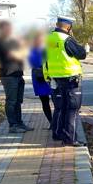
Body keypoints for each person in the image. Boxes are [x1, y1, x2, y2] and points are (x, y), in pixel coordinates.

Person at [44, 16, 86, 147]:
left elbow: (46, 58)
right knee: (73, 109)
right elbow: (81, 54)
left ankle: (58, 133)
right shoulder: (66, 39)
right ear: (68, 26)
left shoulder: (49, 39)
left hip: (56, 78)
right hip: (71, 78)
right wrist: (76, 42)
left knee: (61, 107)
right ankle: (70, 139)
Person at [0, 20, 29, 133]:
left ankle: (19, 123)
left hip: (18, 74)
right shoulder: (0, 42)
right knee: (11, 101)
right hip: (9, 75)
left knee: (18, 101)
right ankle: (12, 125)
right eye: (8, 28)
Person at [28, 29, 53, 125]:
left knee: (56, 100)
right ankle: (51, 122)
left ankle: (57, 121)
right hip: (40, 78)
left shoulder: (48, 48)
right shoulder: (33, 50)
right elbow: (34, 62)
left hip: (50, 77)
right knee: (45, 101)